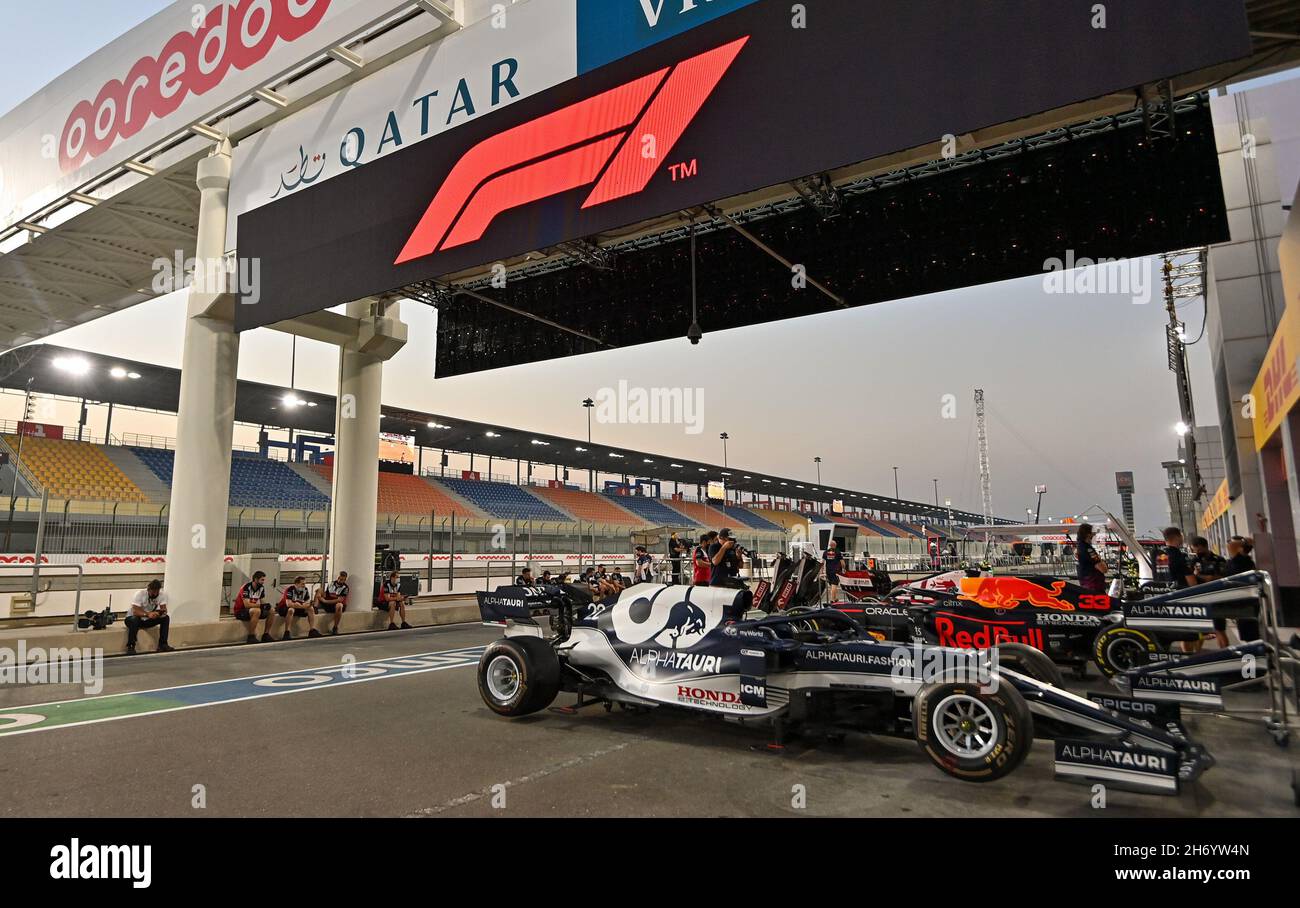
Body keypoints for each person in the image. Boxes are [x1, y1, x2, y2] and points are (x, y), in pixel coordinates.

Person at [1224, 536, 1260, 642]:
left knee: (1250, 634)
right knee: (1246, 633)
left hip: (1246, 601)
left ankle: (1252, 656)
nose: (1228, 547)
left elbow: (1247, 548)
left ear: (1240, 548)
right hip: (1240, 601)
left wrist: (1245, 543)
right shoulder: (1232, 561)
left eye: (1231, 545)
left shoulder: (1242, 561)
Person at [125, 579, 173, 655]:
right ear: (148, 589)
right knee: (134, 619)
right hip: (132, 618)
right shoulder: (140, 594)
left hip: (147, 619)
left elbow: (164, 609)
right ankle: (131, 646)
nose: (154, 594)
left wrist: (159, 613)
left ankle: (163, 644)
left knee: (166, 618)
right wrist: (148, 614)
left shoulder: (162, 595)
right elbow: (135, 611)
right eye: (152, 592)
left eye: (156, 592)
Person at [233, 571, 274, 644]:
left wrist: (267, 606)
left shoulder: (261, 588)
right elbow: (247, 605)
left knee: (271, 610)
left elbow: (262, 601)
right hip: (241, 611)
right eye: (262, 580)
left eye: (264, 580)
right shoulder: (246, 587)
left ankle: (266, 635)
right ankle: (251, 636)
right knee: (256, 611)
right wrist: (262, 606)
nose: (263, 582)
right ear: (255, 579)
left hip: (251, 610)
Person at [276, 575, 321, 640]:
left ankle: (312, 630)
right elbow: (289, 604)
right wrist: (300, 605)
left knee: (310, 608)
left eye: (305, 584)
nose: (304, 586)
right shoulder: (290, 589)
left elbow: (306, 602)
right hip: (284, 608)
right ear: (296, 584)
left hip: (298, 607)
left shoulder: (305, 590)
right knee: (291, 610)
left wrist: (308, 604)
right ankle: (286, 632)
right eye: (302, 584)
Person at [313, 571, 349, 636]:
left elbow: (339, 600)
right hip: (328, 603)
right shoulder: (332, 583)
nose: (341, 581)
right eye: (340, 579)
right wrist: (319, 594)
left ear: (345, 579)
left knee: (339, 605)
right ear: (338, 577)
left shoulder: (345, 587)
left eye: (343, 579)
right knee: (319, 590)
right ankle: (315, 608)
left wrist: (325, 601)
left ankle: (335, 627)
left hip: (336, 605)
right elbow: (326, 594)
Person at [1075, 523, 1108, 593]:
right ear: (1088, 534)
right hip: (1094, 588)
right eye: (1093, 533)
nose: (1095, 535)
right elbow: (1103, 569)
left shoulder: (1080, 547)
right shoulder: (1088, 549)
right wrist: (1101, 560)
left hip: (1087, 586)